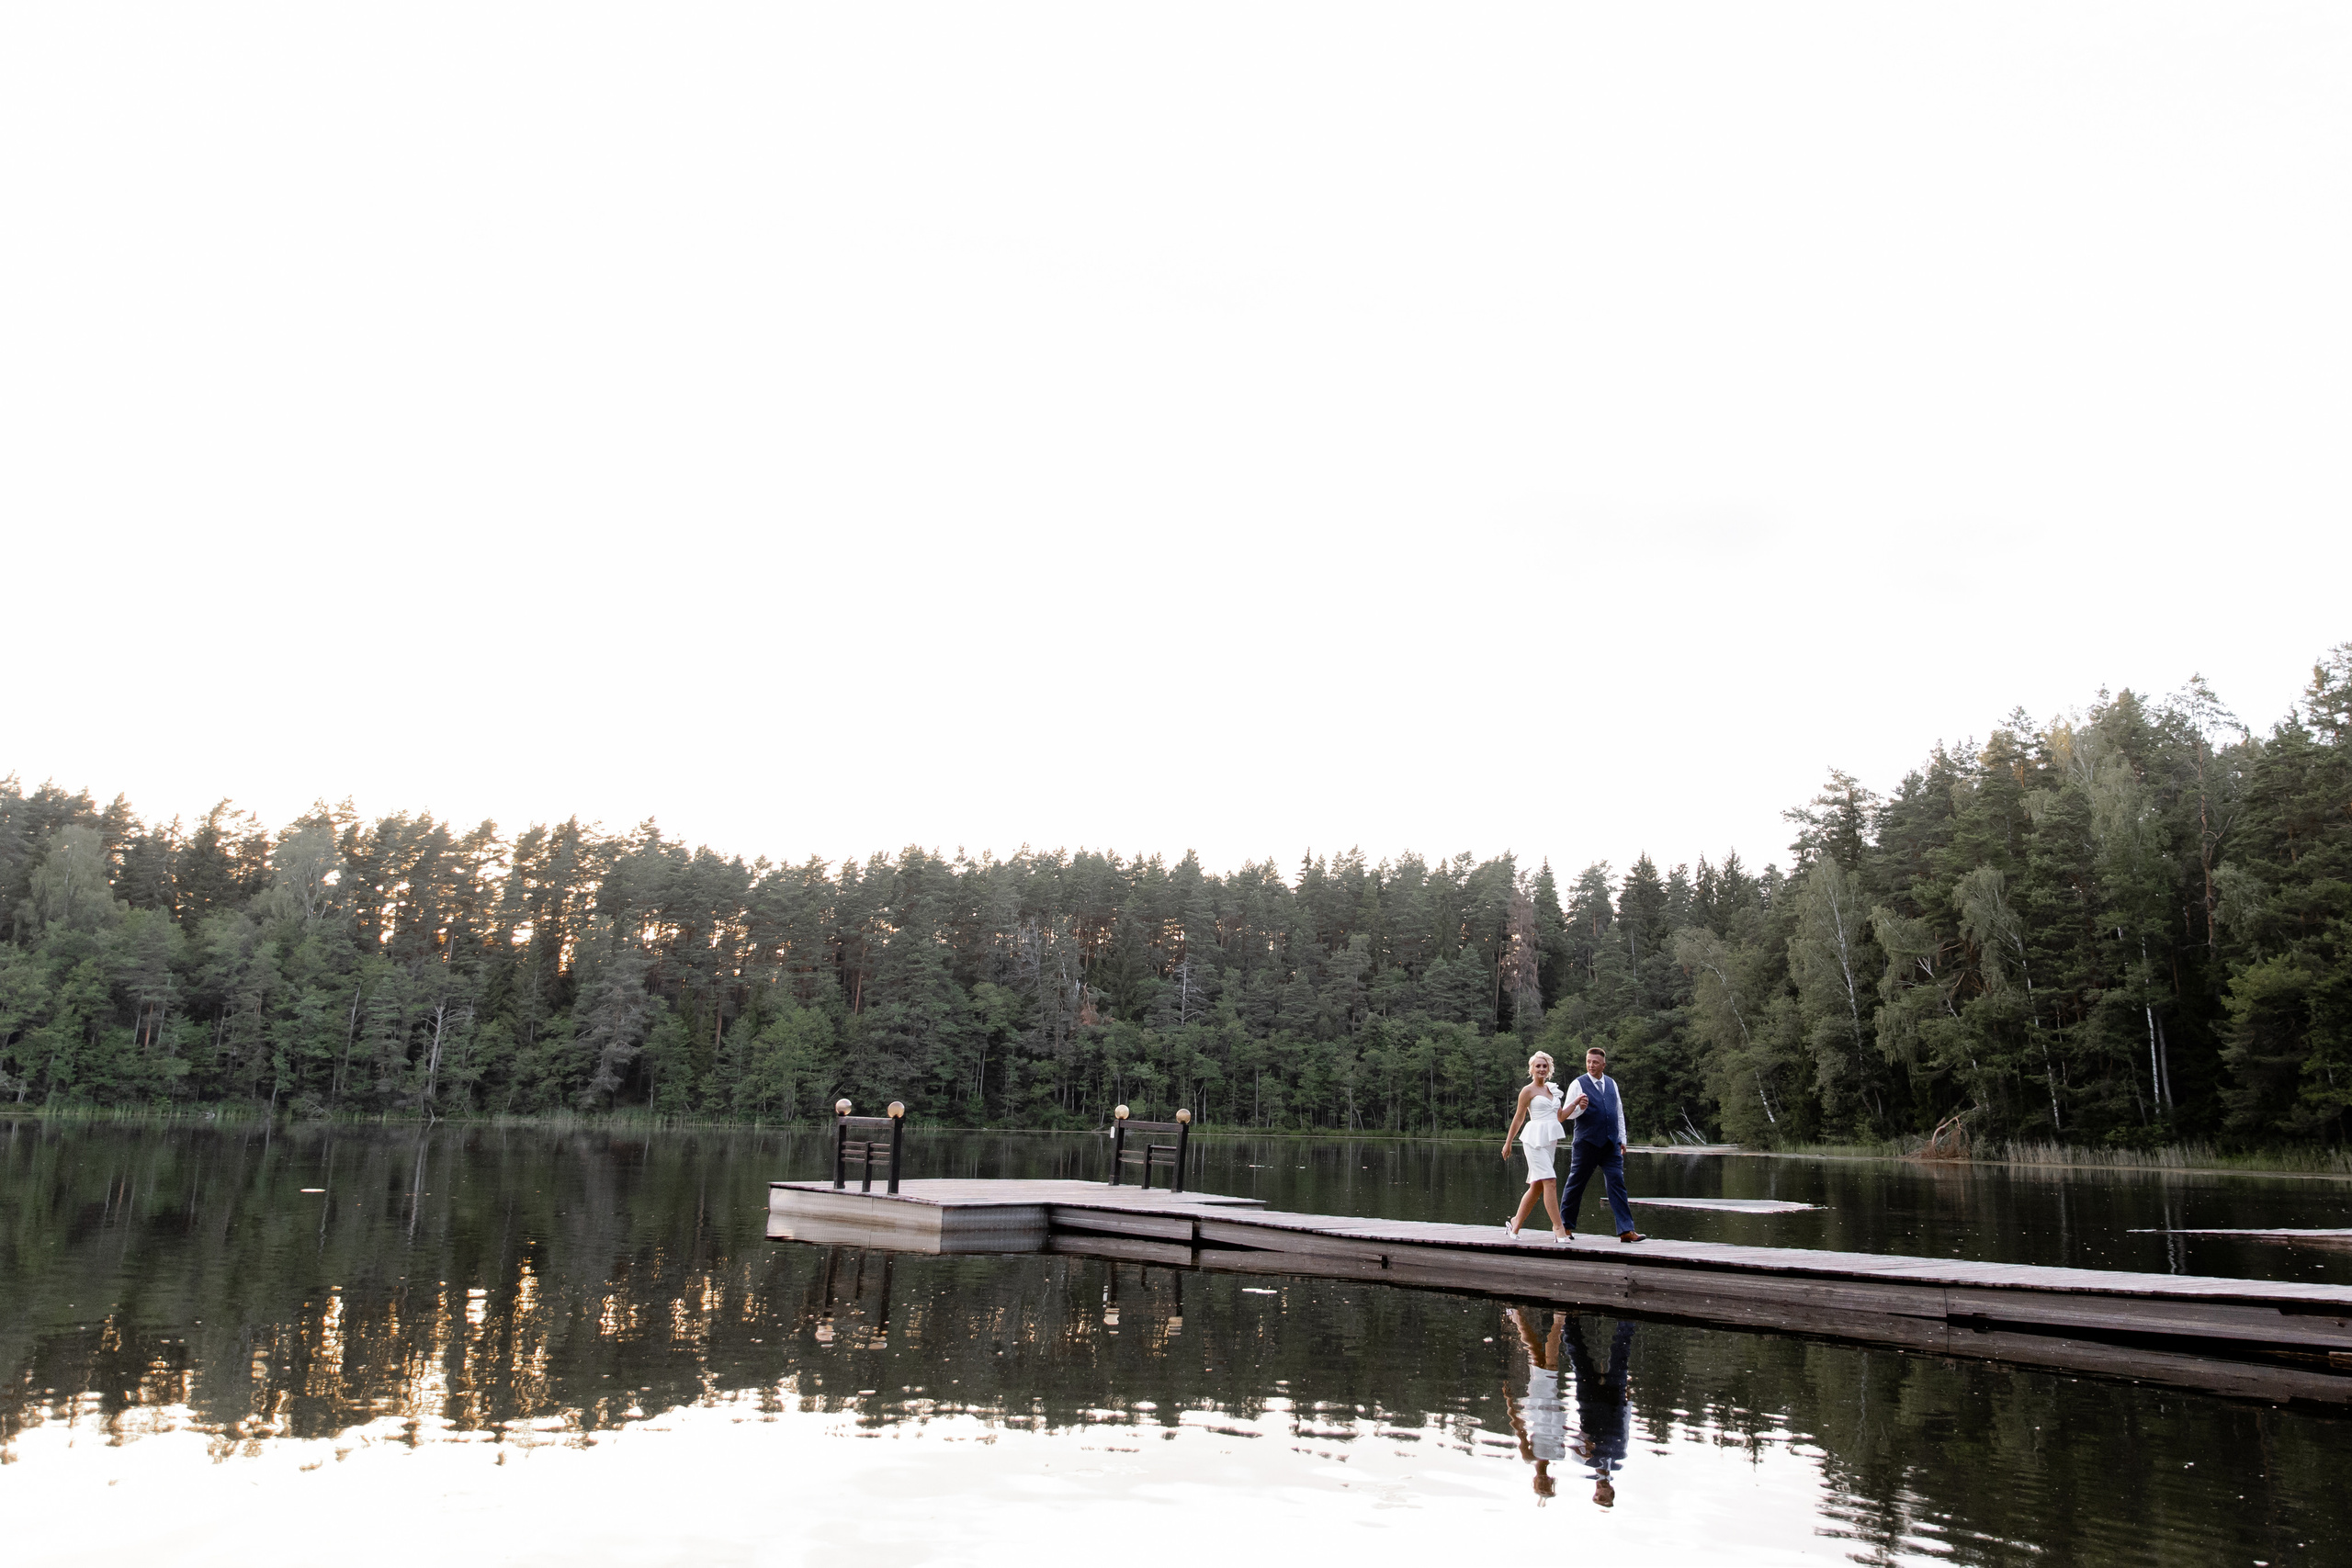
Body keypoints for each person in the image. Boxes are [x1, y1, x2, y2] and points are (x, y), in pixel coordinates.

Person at [1561, 1046, 1644, 1242]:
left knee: (1617, 1184)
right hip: (1586, 1143)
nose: (1591, 1065)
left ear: (1603, 1065)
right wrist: (1579, 1108)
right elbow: (1566, 1114)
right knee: (1576, 1185)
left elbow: (1618, 1111)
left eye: (1595, 1062)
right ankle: (1565, 1227)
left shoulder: (1612, 1084)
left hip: (1610, 1144)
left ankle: (1626, 1231)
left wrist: (1622, 1138)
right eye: (1588, 1061)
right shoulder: (1578, 1084)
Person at [1499, 1051, 1586, 1240]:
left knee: (1538, 1186)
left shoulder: (1552, 1090)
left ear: (1549, 1069)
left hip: (1549, 1141)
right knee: (1550, 1181)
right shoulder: (1527, 1091)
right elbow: (1519, 1118)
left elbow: (1560, 1116)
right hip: (1534, 1140)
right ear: (1531, 1069)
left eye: (1544, 1066)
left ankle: (1515, 1223)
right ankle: (1558, 1229)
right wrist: (1508, 1143)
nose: (1541, 1069)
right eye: (1537, 1066)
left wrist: (1578, 1104)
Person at [1565, 1315, 1637, 1507]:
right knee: (1621, 1356)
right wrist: (1628, 1405)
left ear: (1595, 1493)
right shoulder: (1619, 1460)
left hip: (1589, 1407)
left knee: (1578, 1358)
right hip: (1615, 1406)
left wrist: (1584, 1445)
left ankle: (1569, 1318)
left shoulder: (1584, 1464)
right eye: (1605, 1497)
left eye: (1598, 1497)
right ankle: (1627, 1319)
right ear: (1611, 1492)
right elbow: (1624, 1432)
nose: (1601, 1494)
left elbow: (1576, 1440)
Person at [1501, 1306, 1566, 1503]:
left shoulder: (1529, 1457)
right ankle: (1518, 1317)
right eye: (1547, 1486)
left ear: (1536, 1480)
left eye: (1542, 1485)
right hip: (1553, 1406)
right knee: (1539, 1358)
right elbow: (1562, 1431)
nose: (1545, 1481)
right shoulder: (1559, 1454)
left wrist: (1510, 1403)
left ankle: (1557, 1319)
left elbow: (1520, 1431)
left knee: (1543, 1362)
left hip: (1537, 1407)